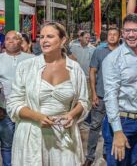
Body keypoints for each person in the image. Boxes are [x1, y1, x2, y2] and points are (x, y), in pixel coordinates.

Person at [7, 22, 90, 165]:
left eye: (50, 36)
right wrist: (37, 116)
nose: (44, 40)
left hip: (64, 136)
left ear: (63, 40)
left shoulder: (75, 69)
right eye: (41, 36)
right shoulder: (26, 67)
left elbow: (84, 101)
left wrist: (71, 114)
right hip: (32, 135)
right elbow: (13, 103)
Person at [102, 14, 137, 166]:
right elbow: (110, 96)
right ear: (122, 32)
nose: (131, 35)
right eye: (128, 31)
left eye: (136, 30)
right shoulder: (113, 59)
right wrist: (117, 131)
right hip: (120, 121)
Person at [83, 28, 121, 166]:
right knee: (95, 125)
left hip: (117, 97)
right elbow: (92, 71)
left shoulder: (123, 51)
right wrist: (93, 93)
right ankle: (90, 156)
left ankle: (108, 152)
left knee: (113, 125)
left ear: (119, 36)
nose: (111, 37)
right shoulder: (99, 51)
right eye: (110, 34)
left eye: (114, 35)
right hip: (100, 94)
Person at [0, 31, 34, 166]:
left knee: (26, 145)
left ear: (21, 42)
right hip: (5, 111)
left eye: (14, 39)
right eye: (7, 39)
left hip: (27, 111)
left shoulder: (32, 60)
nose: (10, 41)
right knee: (7, 146)